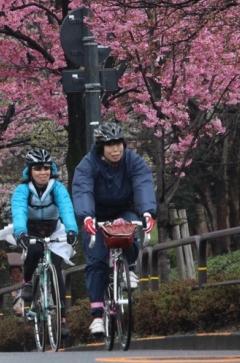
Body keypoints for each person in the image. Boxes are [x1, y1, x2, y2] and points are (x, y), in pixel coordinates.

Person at [72, 121, 157, 337]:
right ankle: (97, 316)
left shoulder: (132, 160)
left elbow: (143, 183)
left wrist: (147, 211)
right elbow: (83, 191)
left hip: (123, 210)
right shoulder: (87, 164)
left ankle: (129, 268)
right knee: (96, 261)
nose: (116, 149)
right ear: (101, 147)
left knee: (128, 231)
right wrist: (87, 217)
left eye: (119, 144)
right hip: (96, 215)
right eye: (110, 145)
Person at [11, 147, 78, 338]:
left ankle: (62, 320)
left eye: (46, 168)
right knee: (33, 251)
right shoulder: (22, 190)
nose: (43, 173)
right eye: (38, 168)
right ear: (30, 171)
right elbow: (19, 211)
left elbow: (66, 207)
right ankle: (27, 282)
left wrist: (72, 229)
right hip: (31, 229)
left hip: (54, 228)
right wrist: (21, 232)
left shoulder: (57, 188)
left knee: (57, 272)